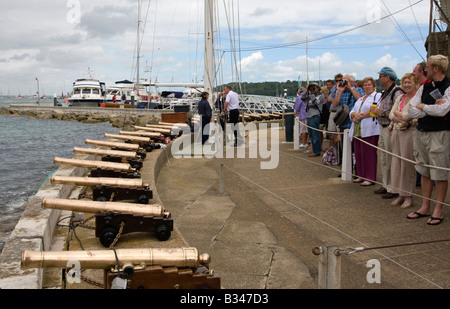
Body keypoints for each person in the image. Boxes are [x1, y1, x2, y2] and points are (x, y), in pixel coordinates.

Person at [406, 54, 450, 225]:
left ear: (436, 68)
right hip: (422, 132)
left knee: (439, 172)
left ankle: (438, 209)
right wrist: (428, 109)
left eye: (429, 66)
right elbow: (411, 110)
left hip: (440, 134)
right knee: (424, 171)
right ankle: (425, 206)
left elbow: (443, 111)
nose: (426, 69)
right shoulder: (424, 87)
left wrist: (423, 107)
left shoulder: (448, 86)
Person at [370, 67, 404, 199]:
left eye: (381, 76)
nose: (379, 78)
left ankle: (393, 187)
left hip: (390, 128)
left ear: (387, 77)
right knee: (384, 158)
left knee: (391, 158)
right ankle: (386, 184)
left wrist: (382, 113)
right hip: (382, 127)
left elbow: (397, 112)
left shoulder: (396, 92)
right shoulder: (385, 92)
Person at [388, 73, 420, 208]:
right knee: (396, 163)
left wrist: (401, 117)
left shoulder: (417, 99)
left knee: (407, 164)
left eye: (409, 82)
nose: (406, 85)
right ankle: (399, 193)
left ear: (416, 84)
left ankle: (408, 196)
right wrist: (402, 119)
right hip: (397, 131)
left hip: (409, 133)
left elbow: (415, 118)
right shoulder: (401, 97)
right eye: (404, 82)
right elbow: (391, 114)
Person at [348, 77, 380, 186]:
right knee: (359, 153)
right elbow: (352, 110)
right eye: (365, 85)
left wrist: (360, 116)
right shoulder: (360, 99)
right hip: (357, 128)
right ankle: (360, 175)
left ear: (373, 86)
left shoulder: (377, 96)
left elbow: (374, 110)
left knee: (369, 153)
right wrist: (354, 115)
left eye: (369, 85)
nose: (367, 87)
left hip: (369, 128)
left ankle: (370, 177)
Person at [332, 74, 364, 169]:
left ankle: (357, 169)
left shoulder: (357, 90)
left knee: (356, 149)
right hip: (343, 124)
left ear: (352, 82)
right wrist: (340, 91)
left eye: (345, 81)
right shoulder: (340, 92)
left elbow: (361, 100)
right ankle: (346, 168)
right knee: (345, 148)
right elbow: (334, 104)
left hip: (354, 124)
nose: (343, 83)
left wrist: (350, 88)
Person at [302, 83, 324, 157]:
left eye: (314, 88)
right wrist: (306, 90)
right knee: (311, 135)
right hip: (309, 116)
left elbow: (315, 102)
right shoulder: (309, 95)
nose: (313, 89)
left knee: (315, 134)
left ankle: (317, 151)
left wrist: (312, 93)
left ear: (318, 88)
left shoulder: (321, 96)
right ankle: (314, 149)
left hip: (315, 116)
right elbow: (302, 98)